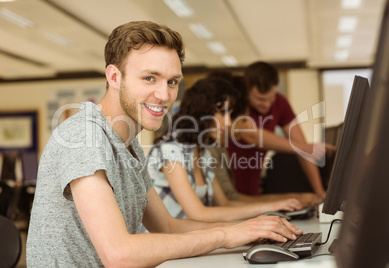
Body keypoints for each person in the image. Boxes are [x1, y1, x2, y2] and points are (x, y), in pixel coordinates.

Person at [26, 21, 303, 267]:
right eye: (150, 78)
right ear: (114, 77)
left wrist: (248, 230)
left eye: (172, 82)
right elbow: (119, 255)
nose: (164, 94)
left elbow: (167, 226)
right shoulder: (83, 137)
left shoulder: (129, 145)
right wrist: (227, 234)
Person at [146, 77, 303, 224]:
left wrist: (274, 207)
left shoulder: (203, 152)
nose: (228, 123)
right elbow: (199, 214)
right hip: (162, 247)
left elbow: (224, 203)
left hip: (189, 243)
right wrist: (270, 208)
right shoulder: (170, 150)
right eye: (223, 113)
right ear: (202, 112)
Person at [207, 75, 321, 206]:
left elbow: (227, 200)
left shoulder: (216, 147)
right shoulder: (209, 150)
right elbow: (226, 203)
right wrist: (288, 200)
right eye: (244, 119)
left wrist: (310, 194)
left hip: (246, 196)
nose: (249, 126)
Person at [227, 61, 335, 199]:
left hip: (252, 189)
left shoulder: (280, 102)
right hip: (228, 187)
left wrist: (320, 192)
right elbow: (252, 136)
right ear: (247, 90)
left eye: (271, 98)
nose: (267, 104)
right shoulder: (238, 104)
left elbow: (301, 146)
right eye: (260, 99)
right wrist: (306, 147)